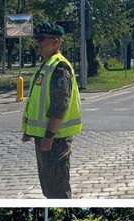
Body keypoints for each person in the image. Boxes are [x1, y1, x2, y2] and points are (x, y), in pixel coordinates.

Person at [21, 21, 81, 199]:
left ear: (55, 42)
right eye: (37, 39)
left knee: (57, 189)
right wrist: (30, 131)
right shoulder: (48, 64)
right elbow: (38, 102)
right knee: (48, 187)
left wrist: (48, 137)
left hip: (55, 139)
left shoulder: (59, 67)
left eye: (41, 39)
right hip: (45, 137)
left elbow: (59, 105)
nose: (37, 43)